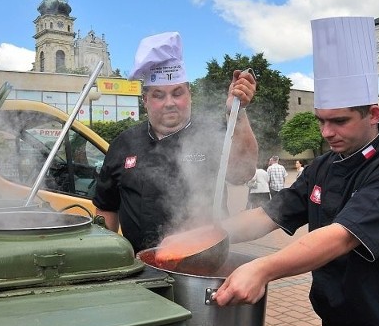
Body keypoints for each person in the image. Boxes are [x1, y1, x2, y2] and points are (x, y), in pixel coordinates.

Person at [207, 17, 379, 326]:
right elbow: (268, 215)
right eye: (320, 120)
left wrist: (263, 268)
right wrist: (209, 236)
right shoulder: (322, 166)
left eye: (339, 121)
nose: (326, 132)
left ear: (373, 115)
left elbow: (342, 237)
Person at [93, 31, 258, 253]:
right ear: (145, 100)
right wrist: (110, 259)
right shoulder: (124, 143)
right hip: (139, 268)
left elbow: (243, 173)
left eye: (177, 93)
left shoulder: (210, 133)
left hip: (205, 263)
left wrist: (237, 113)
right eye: (159, 95)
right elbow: (106, 208)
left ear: (189, 94)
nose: (169, 103)